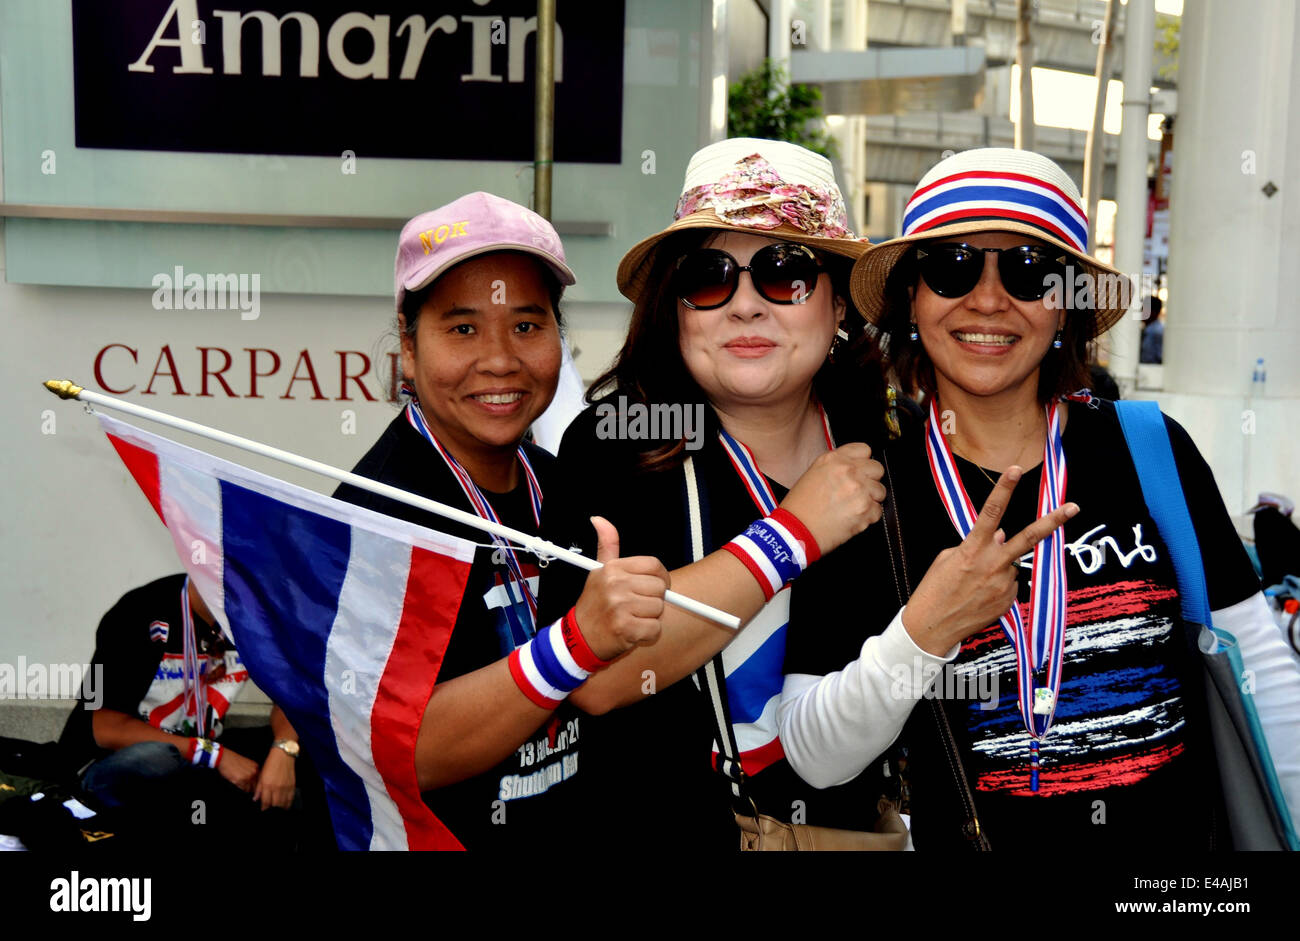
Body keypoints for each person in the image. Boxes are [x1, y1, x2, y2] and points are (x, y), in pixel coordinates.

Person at [535, 139, 1071, 849]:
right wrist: (792, 535)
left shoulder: (896, 442)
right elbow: (597, 681)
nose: (747, 306)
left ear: (839, 304)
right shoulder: (616, 444)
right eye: (709, 276)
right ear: (676, 306)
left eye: (785, 274)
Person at [779, 146, 1300, 849]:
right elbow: (814, 756)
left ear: (1068, 308)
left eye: (1029, 271)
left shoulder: (1150, 449)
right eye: (952, 265)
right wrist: (925, 629)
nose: (988, 298)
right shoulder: (865, 491)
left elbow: (1265, 678)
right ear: (912, 295)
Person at [331, 192, 669, 850]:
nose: (500, 359)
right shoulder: (377, 515)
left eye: (526, 324)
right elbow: (403, 748)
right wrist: (575, 641)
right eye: (462, 329)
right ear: (407, 341)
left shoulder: (558, 481)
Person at [60, 573, 309, 847]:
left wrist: (284, 749)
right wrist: (215, 756)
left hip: (200, 755)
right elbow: (102, 727)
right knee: (157, 758)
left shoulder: (255, 616)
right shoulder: (139, 609)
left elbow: (292, 696)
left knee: (312, 745)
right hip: (114, 765)